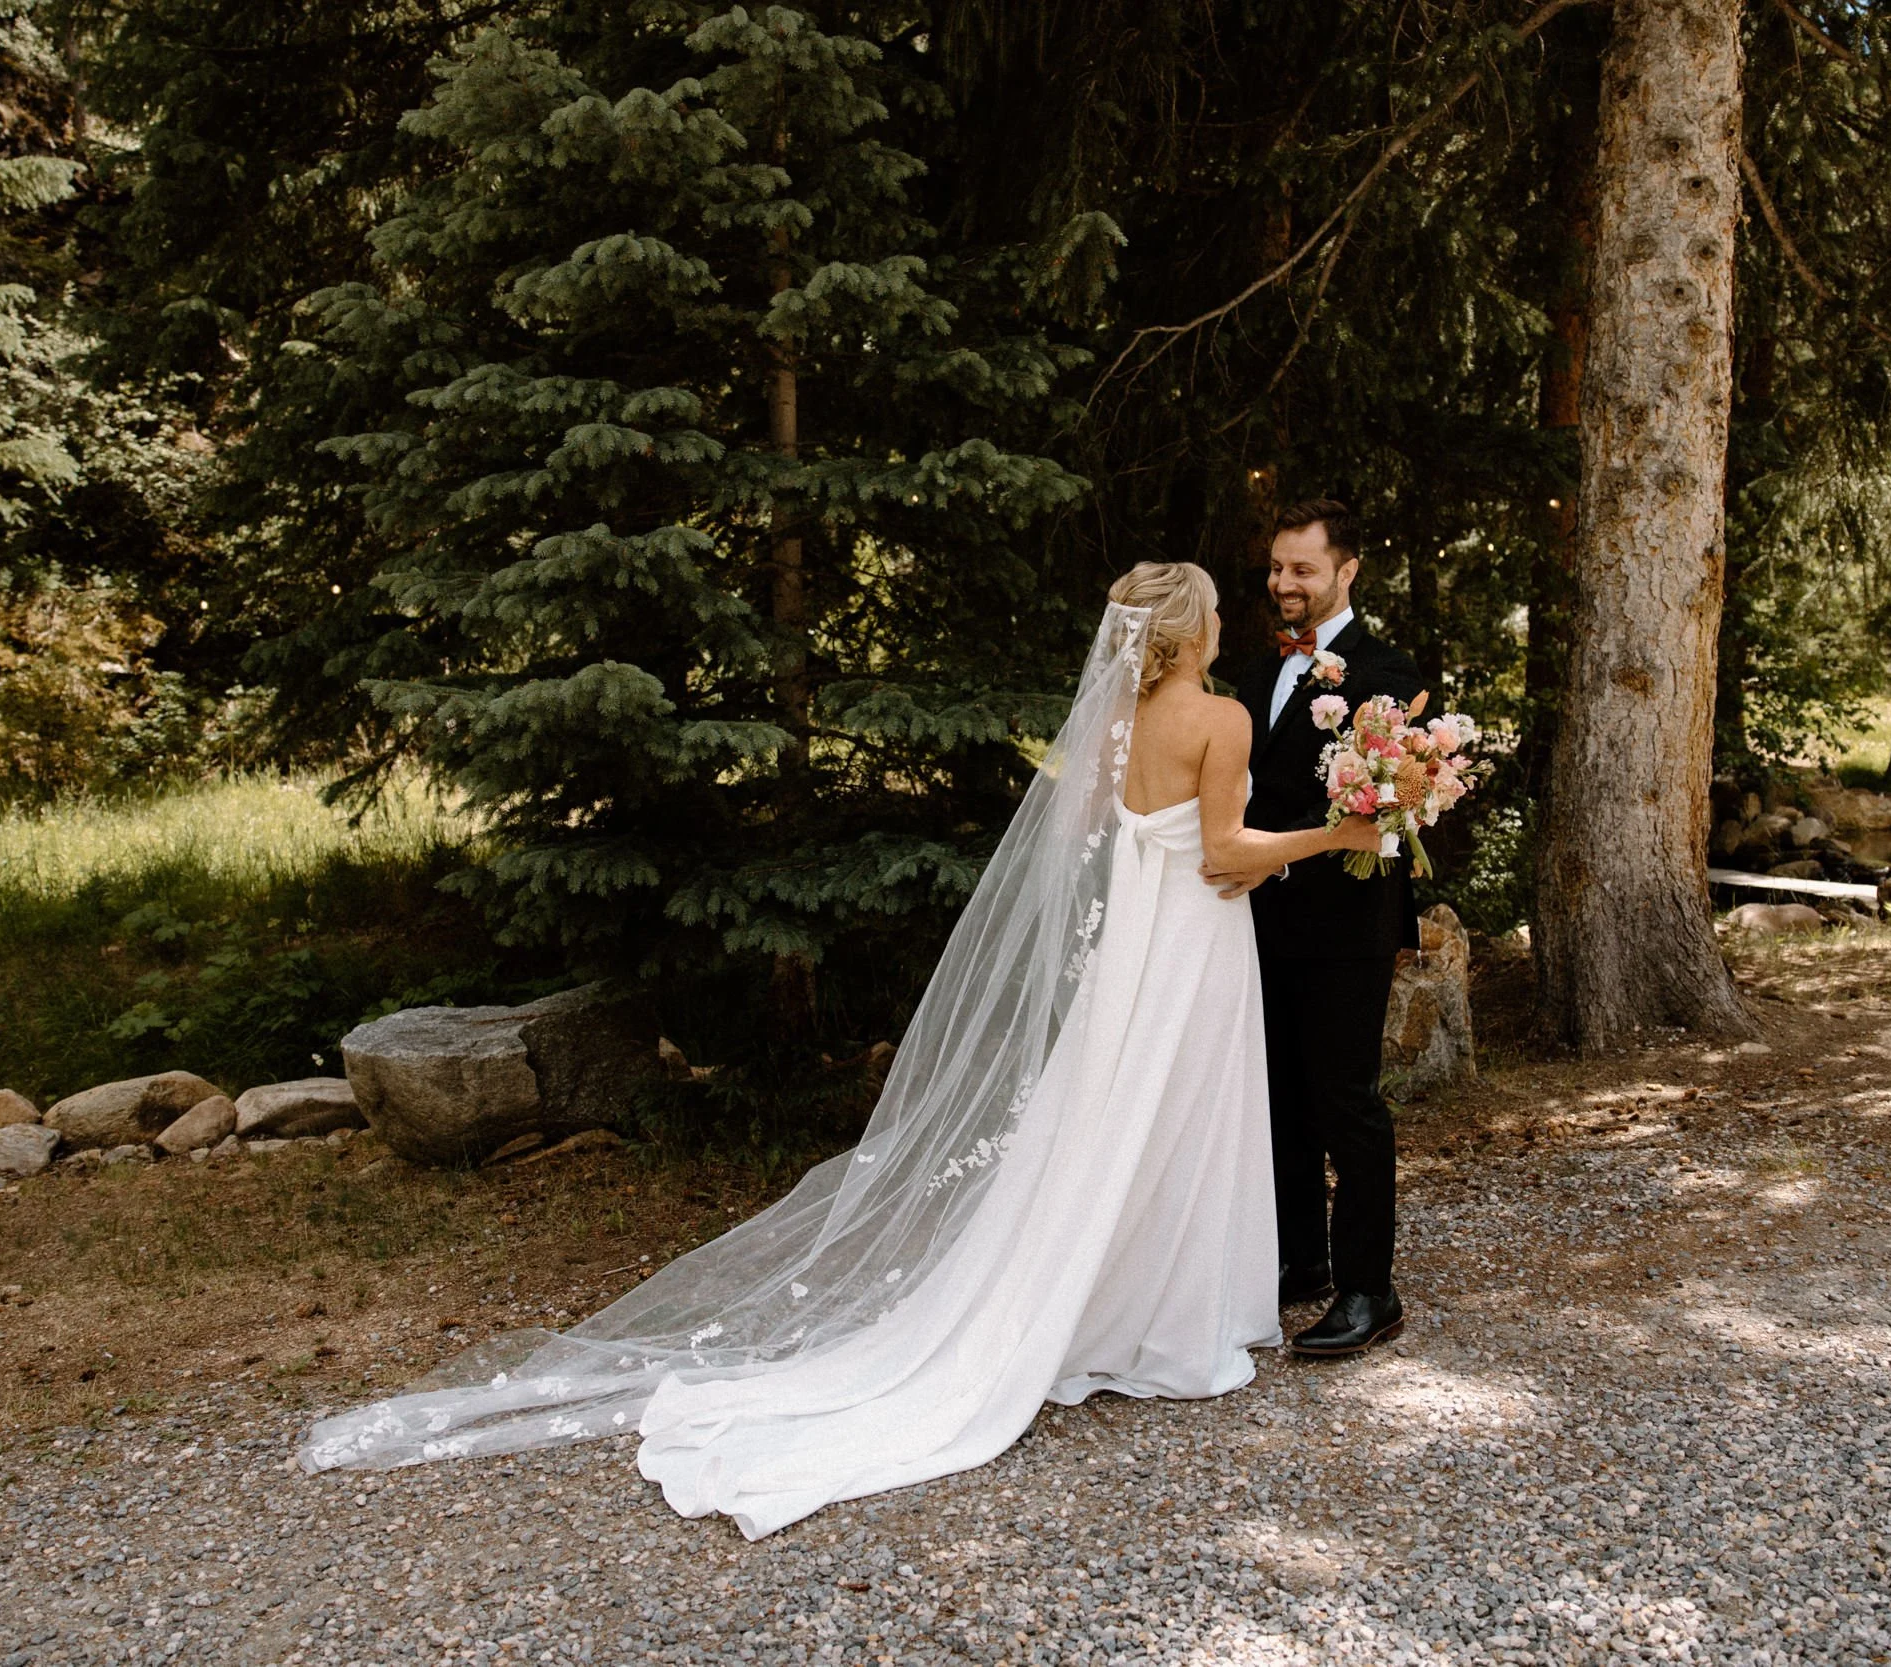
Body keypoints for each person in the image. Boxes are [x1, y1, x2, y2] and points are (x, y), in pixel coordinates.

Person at [298, 562, 1376, 1539]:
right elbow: (1227, 852)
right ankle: (1163, 1318)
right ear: (1188, 633)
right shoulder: (1220, 717)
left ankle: (1108, 1299)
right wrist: (1339, 833)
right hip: (1188, 944)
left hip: (1135, 941)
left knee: (1111, 1115)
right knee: (1178, 1113)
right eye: (1218, 611)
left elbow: (1094, 833)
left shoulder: (1114, 724)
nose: (1232, 616)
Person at [1202, 498, 1422, 1358]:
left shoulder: (1390, 674)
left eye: (1302, 568)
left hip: (1345, 923)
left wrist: (1273, 851)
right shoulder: (1255, 676)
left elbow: (1379, 814)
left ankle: (1372, 1287)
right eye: (1276, 567)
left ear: (1347, 571)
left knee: (1345, 1101)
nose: (1282, 583)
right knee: (1279, 1098)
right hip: (1256, 920)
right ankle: (1301, 1263)